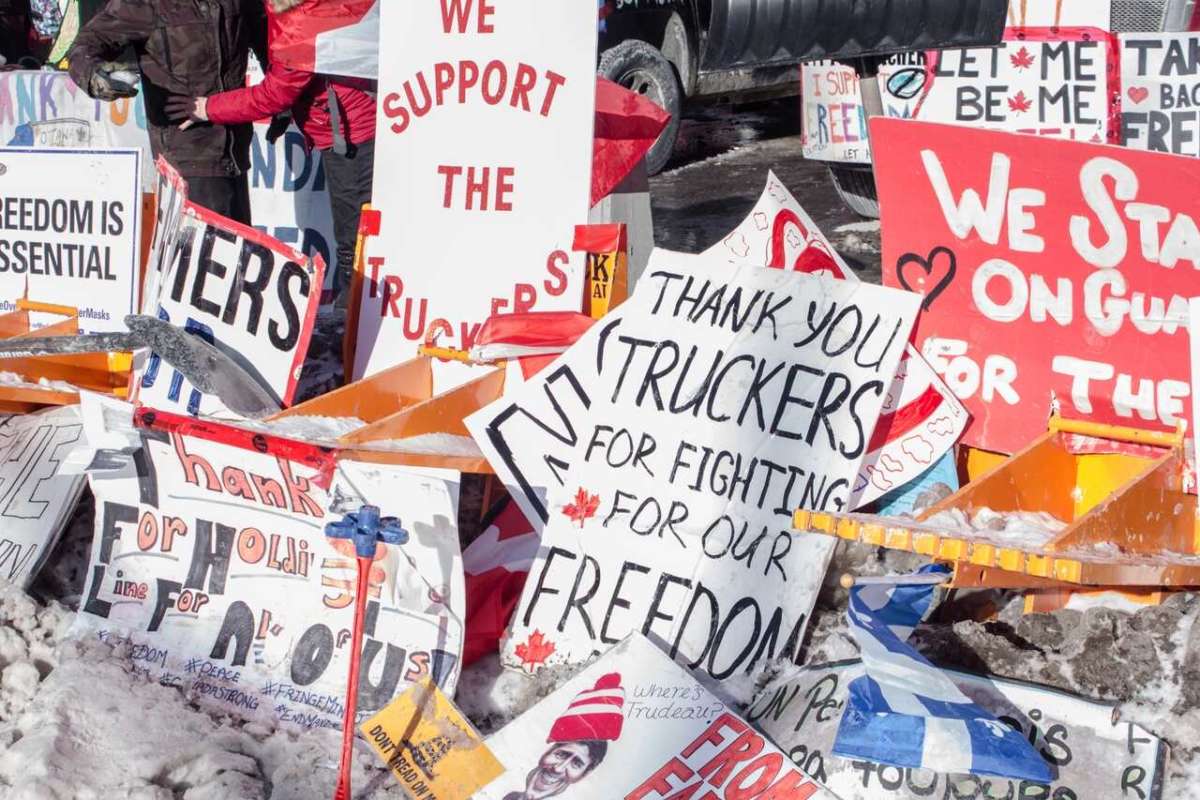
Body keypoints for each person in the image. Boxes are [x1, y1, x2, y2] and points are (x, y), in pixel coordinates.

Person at [166, 0, 376, 307]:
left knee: (354, 244)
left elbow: (276, 93)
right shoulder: (301, 8)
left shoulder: (302, 19)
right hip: (353, 123)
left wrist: (207, 108)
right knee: (358, 236)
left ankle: (355, 321)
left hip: (352, 134)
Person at [67, 0, 267, 225]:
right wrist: (96, 77)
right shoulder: (146, 4)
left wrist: (283, 104)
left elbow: (268, 39)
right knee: (208, 245)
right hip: (187, 153)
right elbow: (85, 46)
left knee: (239, 242)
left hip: (235, 153)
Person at [502, 740, 608, 800]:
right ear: (549, 751)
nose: (558, 769)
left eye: (576, 764)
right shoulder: (513, 796)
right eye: (561, 755)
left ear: (584, 774)